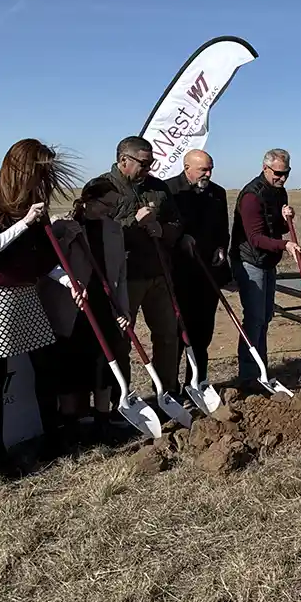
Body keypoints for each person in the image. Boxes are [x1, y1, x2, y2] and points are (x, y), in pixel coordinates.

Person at [0, 138, 81, 476]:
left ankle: (52, 437)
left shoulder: (33, 205)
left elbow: (45, 261)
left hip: (26, 292)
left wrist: (70, 282)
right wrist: (25, 222)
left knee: (45, 365)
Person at [84, 136, 184, 417]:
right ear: (123, 160)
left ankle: (167, 393)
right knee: (121, 341)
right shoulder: (101, 187)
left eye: (151, 163)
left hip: (158, 273)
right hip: (123, 277)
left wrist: (162, 230)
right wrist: (133, 222)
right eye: (144, 163)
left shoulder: (158, 188)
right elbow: (94, 230)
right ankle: (122, 400)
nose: (148, 168)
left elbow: (177, 222)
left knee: (167, 335)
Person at [39, 180, 130, 446]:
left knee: (104, 365)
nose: (110, 211)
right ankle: (70, 427)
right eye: (106, 204)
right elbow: (48, 263)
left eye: (114, 206)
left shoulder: (114, 229)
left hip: (104, 306)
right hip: (73, 309)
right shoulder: (63, 225)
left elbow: (121, 273)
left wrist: (123, 308)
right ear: (89, 200)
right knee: (70, 368)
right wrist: (67, 237)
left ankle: (102, 423)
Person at [230, 148, 301, 385]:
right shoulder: (252, 196)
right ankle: (249, 375)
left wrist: (286, 219)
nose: (282, 178)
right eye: (278, 173)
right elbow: (255, 238)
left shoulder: (279, 192)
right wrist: (285, 245)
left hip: (268, 261)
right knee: (254, 319)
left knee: (265, 316)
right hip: (250, 261)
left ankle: (261, 368)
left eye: (286, 173)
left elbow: (275, 227)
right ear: (265, 168)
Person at [164, 149, 228, 396]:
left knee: (202, 333)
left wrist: (221, 248)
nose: (208, 174)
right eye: (203, 169)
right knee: (177, 334)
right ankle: (170, 390)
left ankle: (197, 384)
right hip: (178, 275)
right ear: (187, 167)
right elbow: (163, 229)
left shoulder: (218, 193)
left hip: (207, 275)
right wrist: (180, 239)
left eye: (210, 169)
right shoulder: (170, 190)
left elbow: (222, 229)